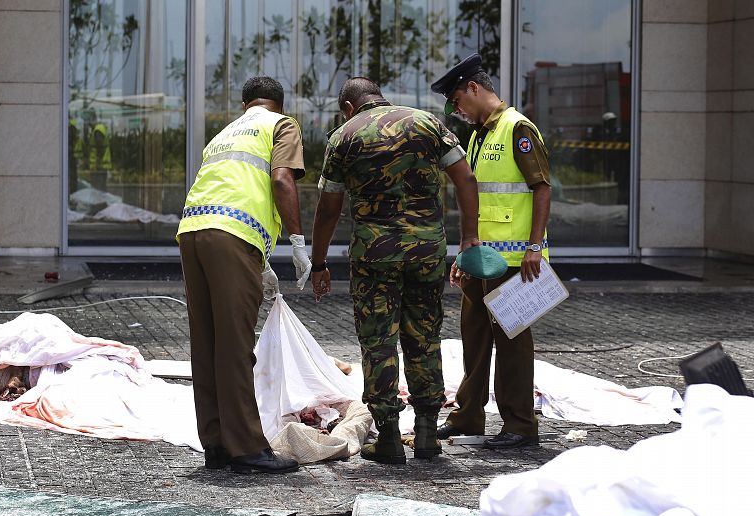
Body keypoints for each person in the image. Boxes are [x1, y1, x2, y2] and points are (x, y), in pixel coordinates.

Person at [310, 77, 480, 464]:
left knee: (378, 342)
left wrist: (319, 263)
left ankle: (387, 437)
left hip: (375, 255)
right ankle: (425, 434)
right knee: (424, 336)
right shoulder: (428, 123)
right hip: (426, 251)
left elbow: (329, 207)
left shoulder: (344, 136)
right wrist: (469, 236)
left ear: (350, 108)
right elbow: (465, 178)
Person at [177, 76, 311, 474]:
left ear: (245, 106)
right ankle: (248, 448)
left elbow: (232, 189)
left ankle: (216, 444)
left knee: (208, 343)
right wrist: (298, 242)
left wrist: (260, 258)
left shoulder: (225, 133)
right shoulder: (282, 125)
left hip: (193, 233)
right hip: (230, 237)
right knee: (235, 344)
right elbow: (281, 179)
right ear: (278, 105)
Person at [430, 54, 552, 449]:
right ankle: (468, 417)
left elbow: (542, 188)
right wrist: (465, 255)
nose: (457, 111)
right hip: (483, 260)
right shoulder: (481, 133)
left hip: (517, 262)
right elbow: (480, 201)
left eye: (458, 102)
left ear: (474, 89)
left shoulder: (518, 128)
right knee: (474, 336)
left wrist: (534, 246)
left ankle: (520, 425)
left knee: (513, 342)